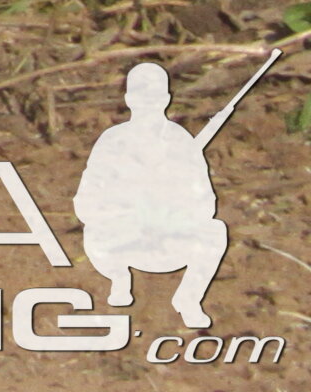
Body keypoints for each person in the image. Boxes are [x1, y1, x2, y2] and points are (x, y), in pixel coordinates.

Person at [72, 59, 231, 331]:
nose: (147, 103)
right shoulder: (112, 141)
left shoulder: (180, 142)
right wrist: (120, 210)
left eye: (154, 96)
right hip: (122, 238)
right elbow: (86, 199)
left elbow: (205, 201)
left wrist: (173, 208)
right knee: (94, 232)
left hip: (169, 236)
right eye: (140, 95)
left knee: (215, 231)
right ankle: (119, 279)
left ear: (166, 98)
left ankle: (189, 298)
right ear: (129, 98)